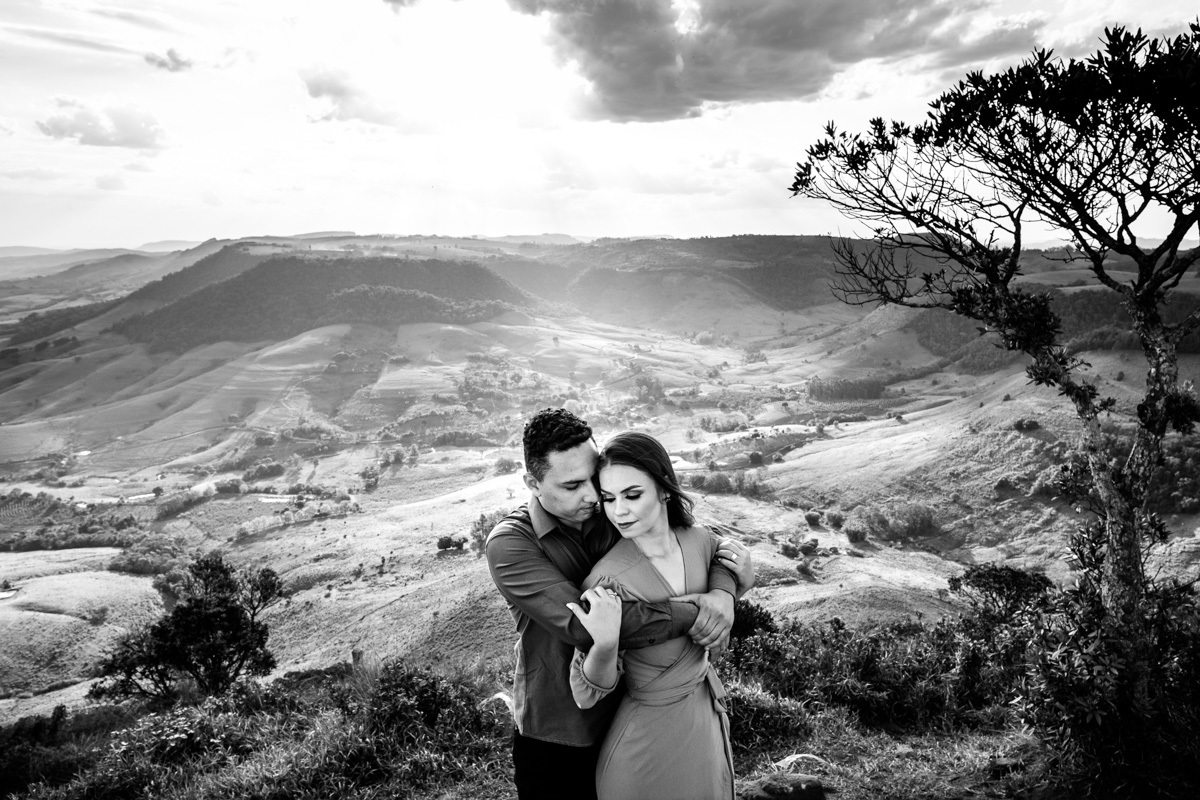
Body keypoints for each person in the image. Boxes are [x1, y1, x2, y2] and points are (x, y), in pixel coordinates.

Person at [486, 408, 754, 800]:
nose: (593, 496)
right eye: (573, 485)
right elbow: (587, 625)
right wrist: (700, 612)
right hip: (560, 730)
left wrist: (723, 592)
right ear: (533, 483)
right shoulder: (510, 544)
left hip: (629, 709)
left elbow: (703, 543)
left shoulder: (610, 514)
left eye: (594, 480)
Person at [569, 431, 747, 800]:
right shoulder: (607, 580)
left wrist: (725, 593)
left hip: (704, 724)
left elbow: (730, 566)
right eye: (609, 498)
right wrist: (605, 643)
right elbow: (586, 694)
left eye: (632, 495)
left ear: (664, 490)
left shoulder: (700, 541)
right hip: (644, 751)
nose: (619, 511)